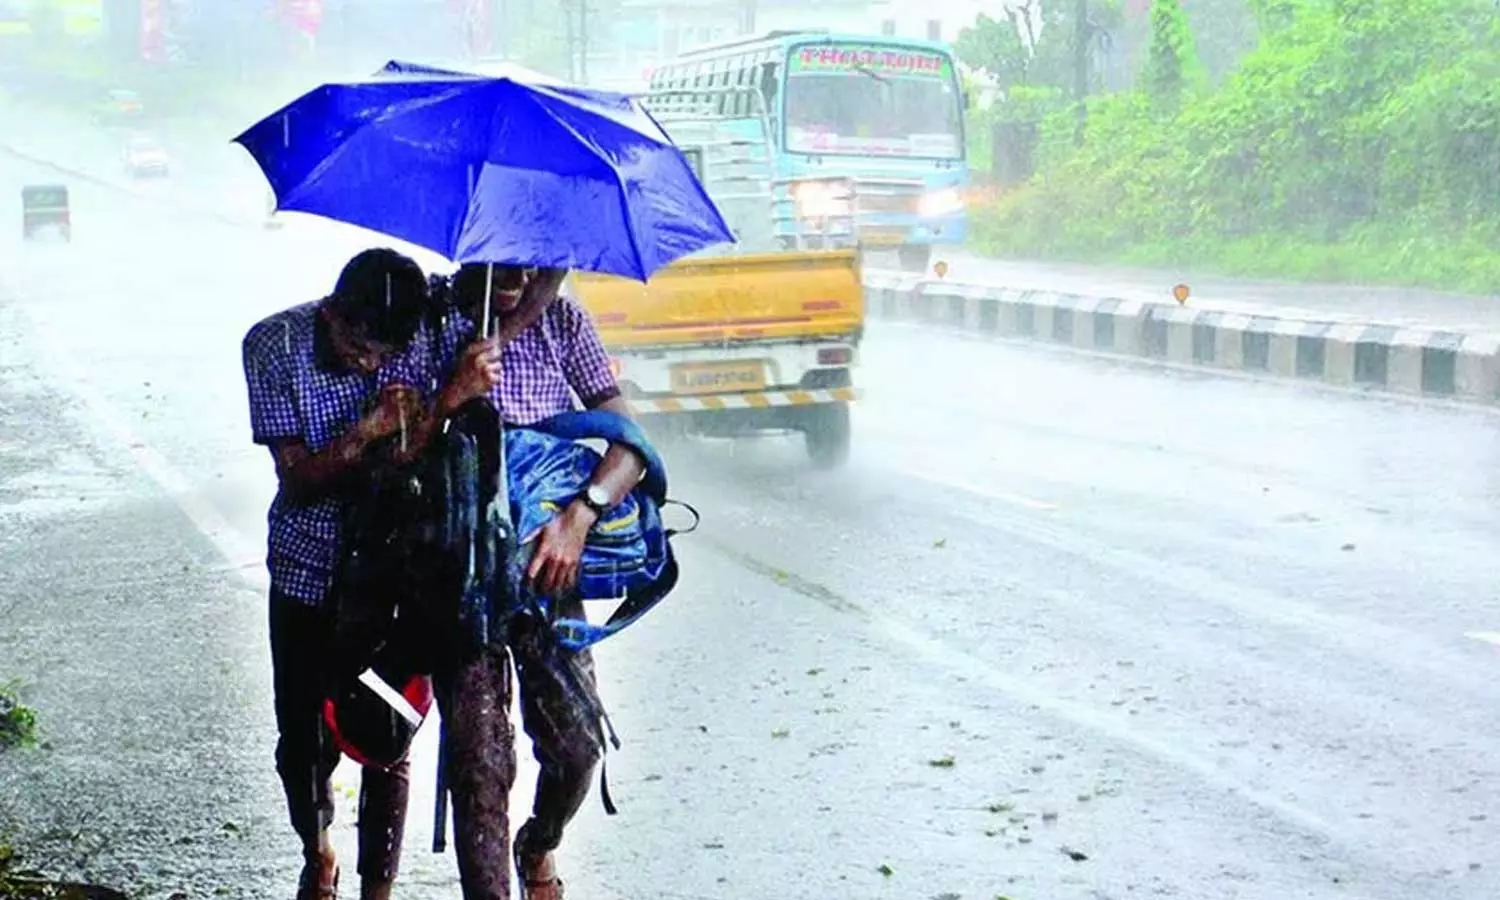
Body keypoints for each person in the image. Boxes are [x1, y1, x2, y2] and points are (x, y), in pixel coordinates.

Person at [241, 247, 485, 900]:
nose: (371, 363)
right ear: (331, 314)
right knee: (303, 738)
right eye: (357, 347)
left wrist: (455, 393)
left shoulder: (430, 331)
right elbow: (296, 480)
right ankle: (317, 850)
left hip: (396, 570)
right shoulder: (273, 346)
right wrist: (369, 428)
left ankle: (378, 886)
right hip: (309, 565)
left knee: (386, 732)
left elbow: (505, 296)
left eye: (385, 352)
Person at [405, 262, 646, 900]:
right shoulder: (424, 319)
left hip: (546, 577)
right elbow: (393, 443)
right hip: (458, 579)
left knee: (575, 747)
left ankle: (538, 843)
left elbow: (632, 445)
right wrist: (451, 394)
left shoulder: (562, 320)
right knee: (479, 766)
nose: (523, 273)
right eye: (504, 260)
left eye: (537, 260)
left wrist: (581, 513)